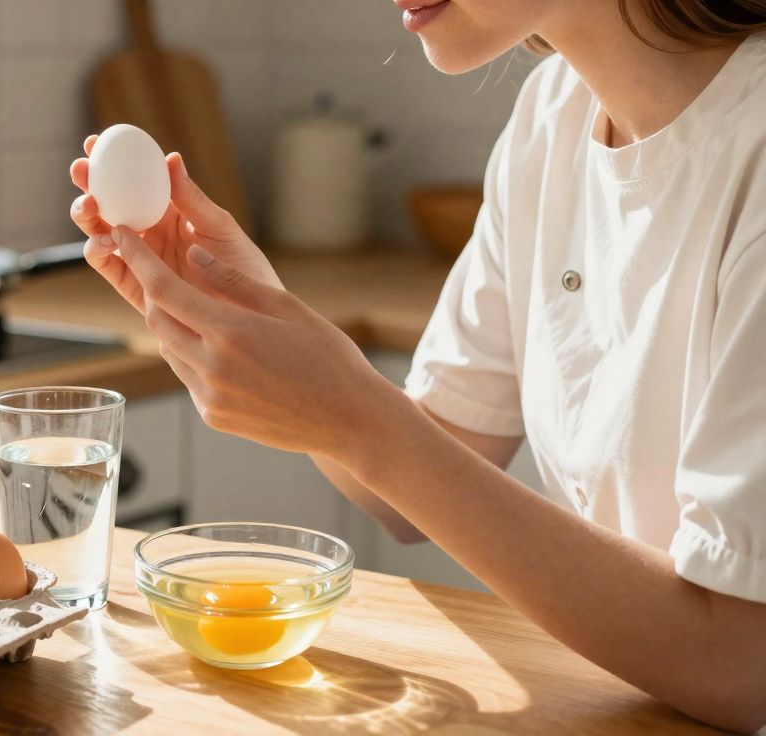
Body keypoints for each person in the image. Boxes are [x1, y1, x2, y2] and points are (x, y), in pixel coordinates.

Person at [68, 0, 766, 731]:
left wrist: (360, 421)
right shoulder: (552, 114)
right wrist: (245, 319)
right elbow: (420, 476)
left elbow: (740, 665)